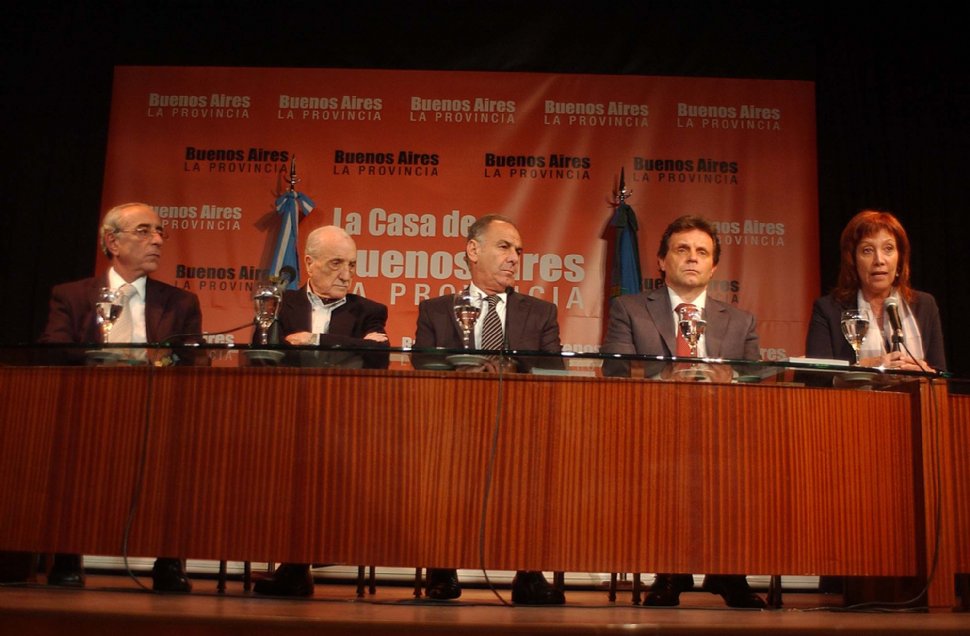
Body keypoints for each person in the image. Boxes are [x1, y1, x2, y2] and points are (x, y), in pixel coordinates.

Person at [601, 214, 766, 609]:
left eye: (702, 252)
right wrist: (665, 377)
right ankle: (671, 570)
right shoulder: (629, 308)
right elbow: (615, 368)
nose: (693, 258)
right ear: (662, 261)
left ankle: (729, 570)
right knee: (669, 459)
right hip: (652, 425)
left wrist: (729, 378)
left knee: (745, 460)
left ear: (714, 266)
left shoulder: (740, 321)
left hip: (724, 429)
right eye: (682, 249)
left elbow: (756, 379)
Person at [38, 202, 202, 592]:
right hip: (88, 408)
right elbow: (53, 349)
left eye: (160, 231)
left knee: (183, 453)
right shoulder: (72, 296)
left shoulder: (179, 302)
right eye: (144, 231)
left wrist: (161, 362)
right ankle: (67, 555)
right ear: (112, 242)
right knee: (65, 450)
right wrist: (100, 357)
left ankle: (168, 560)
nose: (157, 240)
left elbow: (195, 361)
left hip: (158, 409)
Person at [413, 214, 565, 605]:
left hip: (521, 426)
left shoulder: (540, 312)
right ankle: (441, 567)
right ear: (473, 250)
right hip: (451, 423)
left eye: (519, 250)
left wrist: (508, 368)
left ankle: (529, 573)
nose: (514, 257)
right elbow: (423, 364)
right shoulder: (436, 310)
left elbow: (554, 370)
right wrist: (464, 370)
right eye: (504, 246)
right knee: (438, 466)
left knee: (539, 468)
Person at [253, 225, 389, 597]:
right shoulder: (279, 304)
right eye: (336, 264)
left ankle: (298, 567)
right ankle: (294, 566)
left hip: (346, 419)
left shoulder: (370, 310)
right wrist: (350, 347)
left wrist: (314, 340)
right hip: (285, 417)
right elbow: (263, 356)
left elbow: (378, 357)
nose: (346, 274)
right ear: (309, 263)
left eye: (352, 265)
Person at [806, 209, 945, 372]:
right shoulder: (828, 310)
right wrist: (870, 366)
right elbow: (815, 376)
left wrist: (927, 373)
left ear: (900, 259)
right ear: (853, 260)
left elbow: (941, 374)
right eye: (867, 250)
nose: (879, 260)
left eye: (888, 248)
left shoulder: (924, 305)